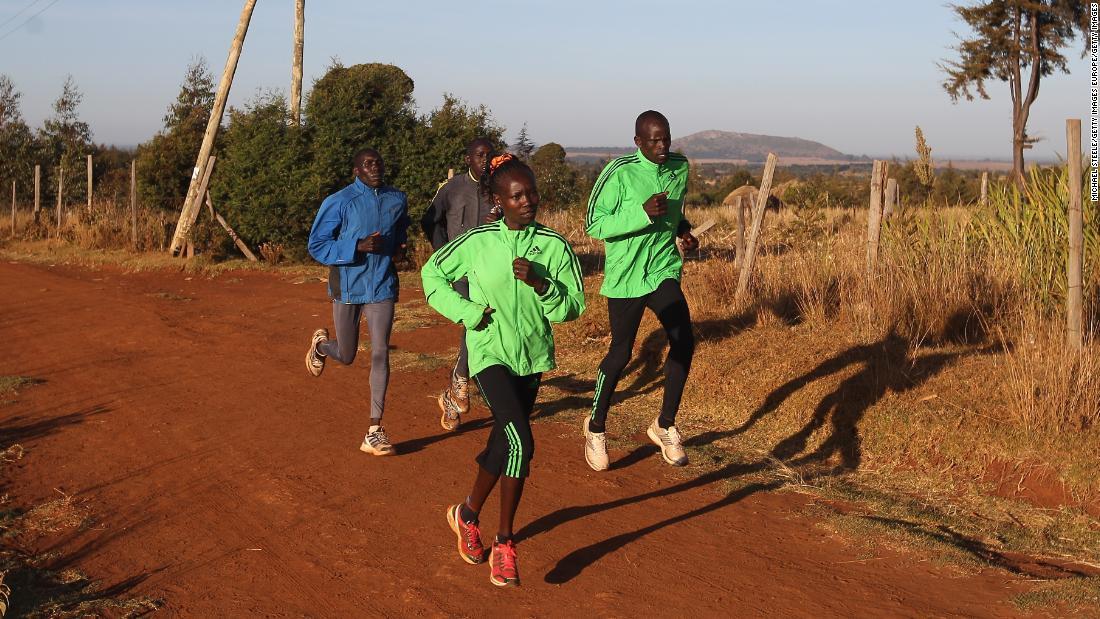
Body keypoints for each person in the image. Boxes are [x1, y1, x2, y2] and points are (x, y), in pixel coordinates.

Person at [422, 153, 585, 587]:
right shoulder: (477, 242)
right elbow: (431, 276)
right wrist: (469, 313)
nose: (528, 200)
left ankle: (466, 513)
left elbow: (574, 306)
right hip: (489, 352)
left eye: (532, 192)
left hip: (530, 357)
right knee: (520, 440)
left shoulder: (553, 245)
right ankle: (505, 542)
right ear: (498, 200)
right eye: (517, 195)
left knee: (503, 443)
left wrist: (542, 284)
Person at [582, 110, 699, 471]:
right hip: (627, 276)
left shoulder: (680, 166)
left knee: (683, 340)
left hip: (662, 270)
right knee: (620, 353)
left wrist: (682, 230)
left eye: (666, 138)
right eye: (654, 140)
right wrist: (642, 212)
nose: (662, 146)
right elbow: (593, 224)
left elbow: (676, 211)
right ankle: (596, 426)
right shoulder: (619, 173)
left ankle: (664, 425)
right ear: (638, 142)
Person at [305, 148, 410, 457]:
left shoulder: (397, 199)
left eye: (378, 162)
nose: (374, 167)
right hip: (348, 285)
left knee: (380, 352)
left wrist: (400, 250)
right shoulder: (339, 201)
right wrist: (357, 246)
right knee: (347, 354)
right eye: (368, 164)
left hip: (382, 286)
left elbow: (400, 232)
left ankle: (374, 429)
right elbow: (317, 245)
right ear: (356, 171)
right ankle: (321, 347)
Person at [420, 137, 501, 431]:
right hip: (462, 274)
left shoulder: (499, 186)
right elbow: (430, 221)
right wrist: (444, 253)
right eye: (479, 155)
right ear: (468, 159)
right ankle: (461, 383)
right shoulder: (451, 189)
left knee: (487, 330)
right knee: (474, 323)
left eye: (488, 154)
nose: (484, 159)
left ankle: (453, 398)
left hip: (494, 273)